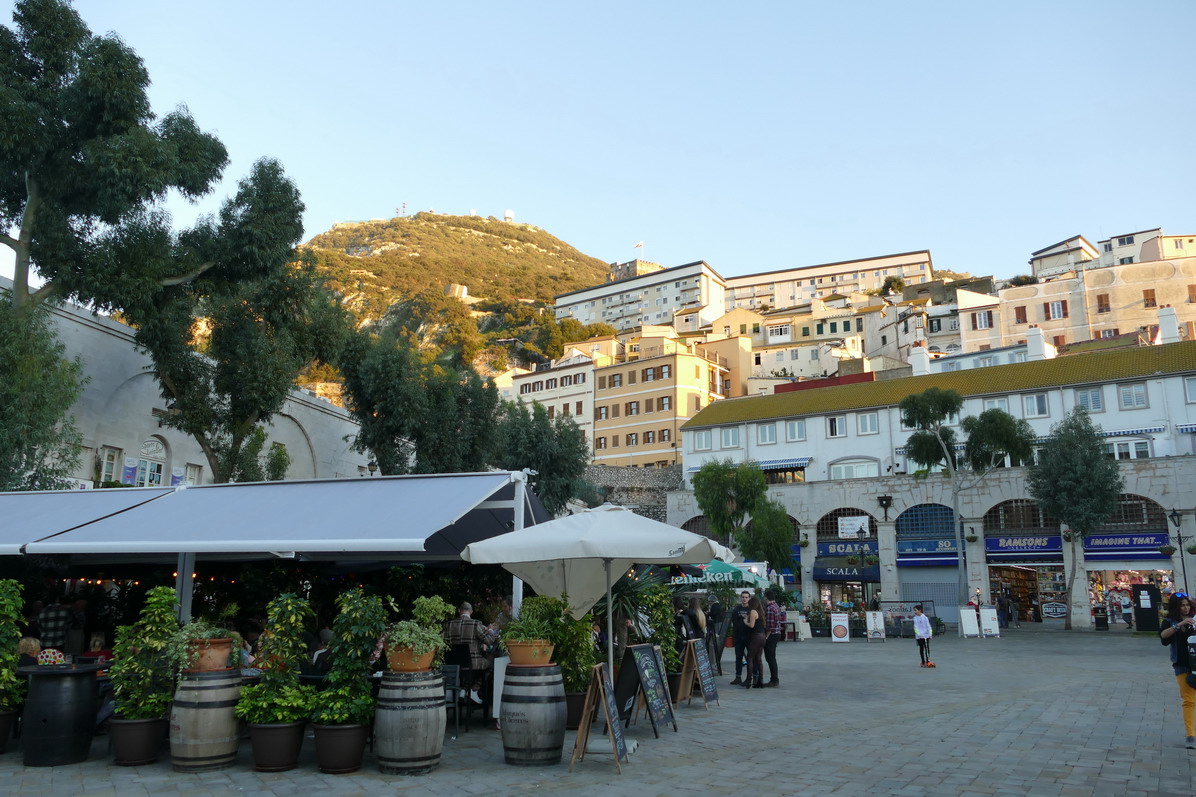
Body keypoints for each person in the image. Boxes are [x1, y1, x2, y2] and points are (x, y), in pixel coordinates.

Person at [1159, 592, 1196, 748]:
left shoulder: (1195, 619)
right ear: (1176, 606)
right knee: (1188, 701)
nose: (1186, 608)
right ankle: (1190, 735)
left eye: (1187, 605)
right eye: (1182, 605)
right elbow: (1163, 638)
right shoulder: (1169, 622)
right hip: (1182, 664)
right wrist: (1179, 625)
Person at [445, 601, 494, 705]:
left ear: (459, 611)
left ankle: (463, 689)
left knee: (467, 673)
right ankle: (474, 689)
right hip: (473, 665)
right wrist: (489, 630)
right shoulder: (476, 624)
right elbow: (490, 641)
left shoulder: (449, 624)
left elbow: (444, 643)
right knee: (491, 663)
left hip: (454, 666)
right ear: (471, 611)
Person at [742, 597, 767, 689]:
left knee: (749, 658)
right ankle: (761, 680)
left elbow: (751, 625)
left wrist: (745, 621)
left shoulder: (753, 611)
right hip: (762, 637)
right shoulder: (761, 612)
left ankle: (749, 680)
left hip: (756, 637)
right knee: (758, 659)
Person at [729, 591, 751, 686]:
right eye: (743, 597)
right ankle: (738, 677)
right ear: (740, 598)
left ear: (749, 598)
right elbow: (733, 621)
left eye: (746, 597)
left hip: (749, 636)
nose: (744, 599)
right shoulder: (737, 608)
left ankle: (751, 677)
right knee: (738, 657)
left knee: (750, 657)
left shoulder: (751, 609)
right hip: (738, 636)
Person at [763, 589, 784, 687]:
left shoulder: (769, 608)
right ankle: (774, 679)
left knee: (770, 657)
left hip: (772, 634)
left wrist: (766, 636)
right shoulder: (776, 606)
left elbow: (770, 625)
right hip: (777, 632)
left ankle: (774, 680)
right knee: (772, 657)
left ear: (766, 597)